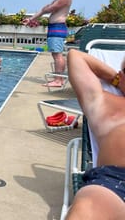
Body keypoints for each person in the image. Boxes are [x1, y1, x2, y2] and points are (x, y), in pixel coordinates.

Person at [65, 49, 125, 219]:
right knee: (87, 208)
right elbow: (75, 57)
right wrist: (116, 79)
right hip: (115, 182)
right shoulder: (103, 102)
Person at [22, 0, 72, 87]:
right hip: (55, 27)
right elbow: (44, 9)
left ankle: (58, 80)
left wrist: (46, 8)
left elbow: (49, 9)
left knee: (57, 55)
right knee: (57, 54)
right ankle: (59, 78)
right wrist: (31, 19)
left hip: (57, 27)